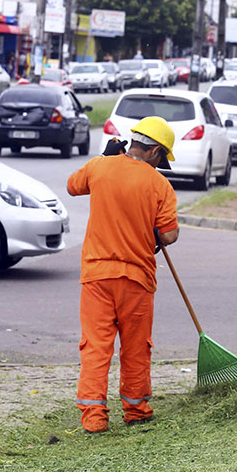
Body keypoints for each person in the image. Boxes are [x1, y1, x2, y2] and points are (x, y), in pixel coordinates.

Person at [67, 117, 180, 434]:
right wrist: (153, 232)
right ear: (155, 151)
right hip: (137, 279)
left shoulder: (99, 167)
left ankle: (93, 417)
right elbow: (169, 235)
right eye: (161, 159)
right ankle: (136, 410)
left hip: (96, 276)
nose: (160, 165)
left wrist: (104, 159)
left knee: (95, 346)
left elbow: (72, 185)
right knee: (135, 347)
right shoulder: (159, 185)